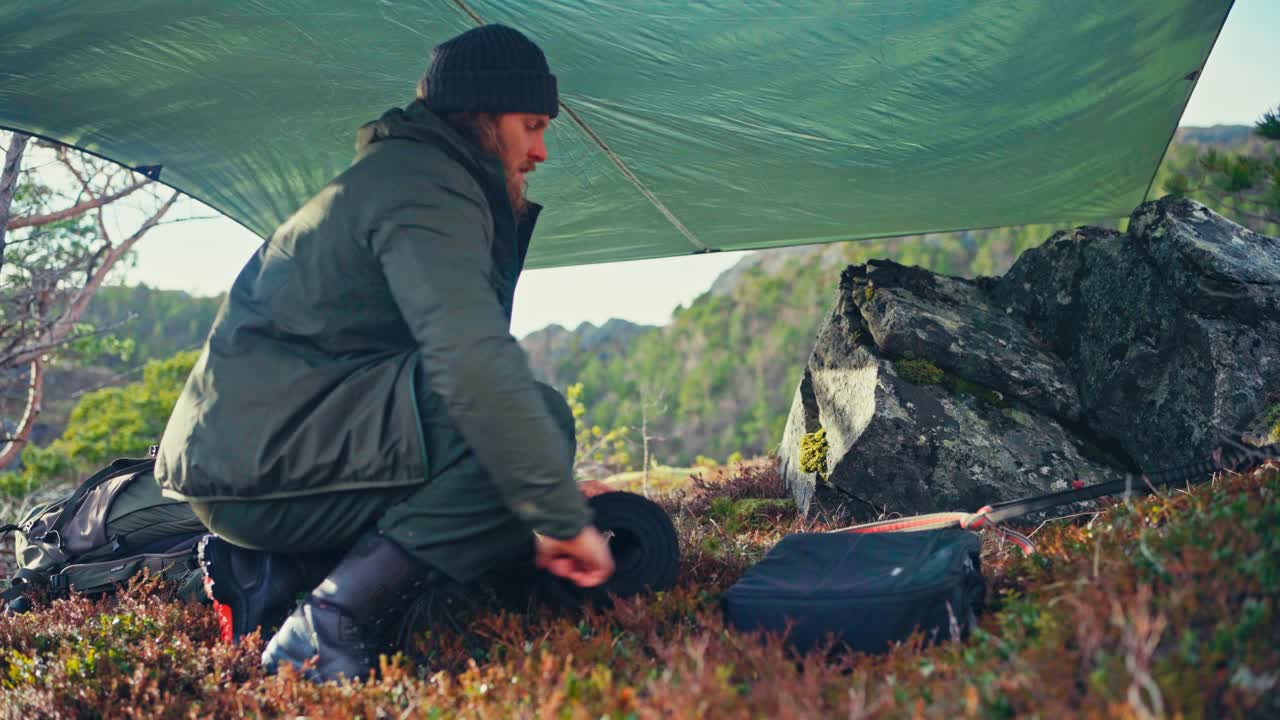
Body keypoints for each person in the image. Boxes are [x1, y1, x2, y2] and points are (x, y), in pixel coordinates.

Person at [155, 24, 615, 682]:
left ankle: (312, 588)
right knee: (535, 417)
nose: (541, 150)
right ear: (482, 117)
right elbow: (473, 366)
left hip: (268, 452)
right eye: (533, 126)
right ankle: (324, 627)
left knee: (517, 459)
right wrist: (560, 516)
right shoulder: (424, 185)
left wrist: (539, 496)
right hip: (258, 466)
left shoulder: (413, 175)